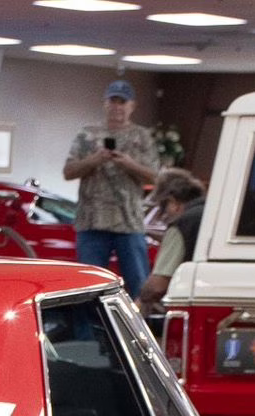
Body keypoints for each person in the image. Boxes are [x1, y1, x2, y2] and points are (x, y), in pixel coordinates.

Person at [63, 80, 160, 298]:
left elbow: (154, 176)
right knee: (89, 285)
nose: (117, 107)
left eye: (122, 102)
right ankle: (88, 331)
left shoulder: (142, 136)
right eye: (113, 101)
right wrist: (94, 160)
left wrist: (127, 163)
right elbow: (68, 172)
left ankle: (142, 327)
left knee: (138, 282)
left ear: (132, 106)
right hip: (91, 221)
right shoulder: (87, 134)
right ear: (105, 103)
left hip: (128, 222)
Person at [138, 168, 206, 316]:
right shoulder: (210, 213)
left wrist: (137, 304)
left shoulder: (182, 224)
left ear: (172, 202)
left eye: (163, 208)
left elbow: (157, 286)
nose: (165, 215)